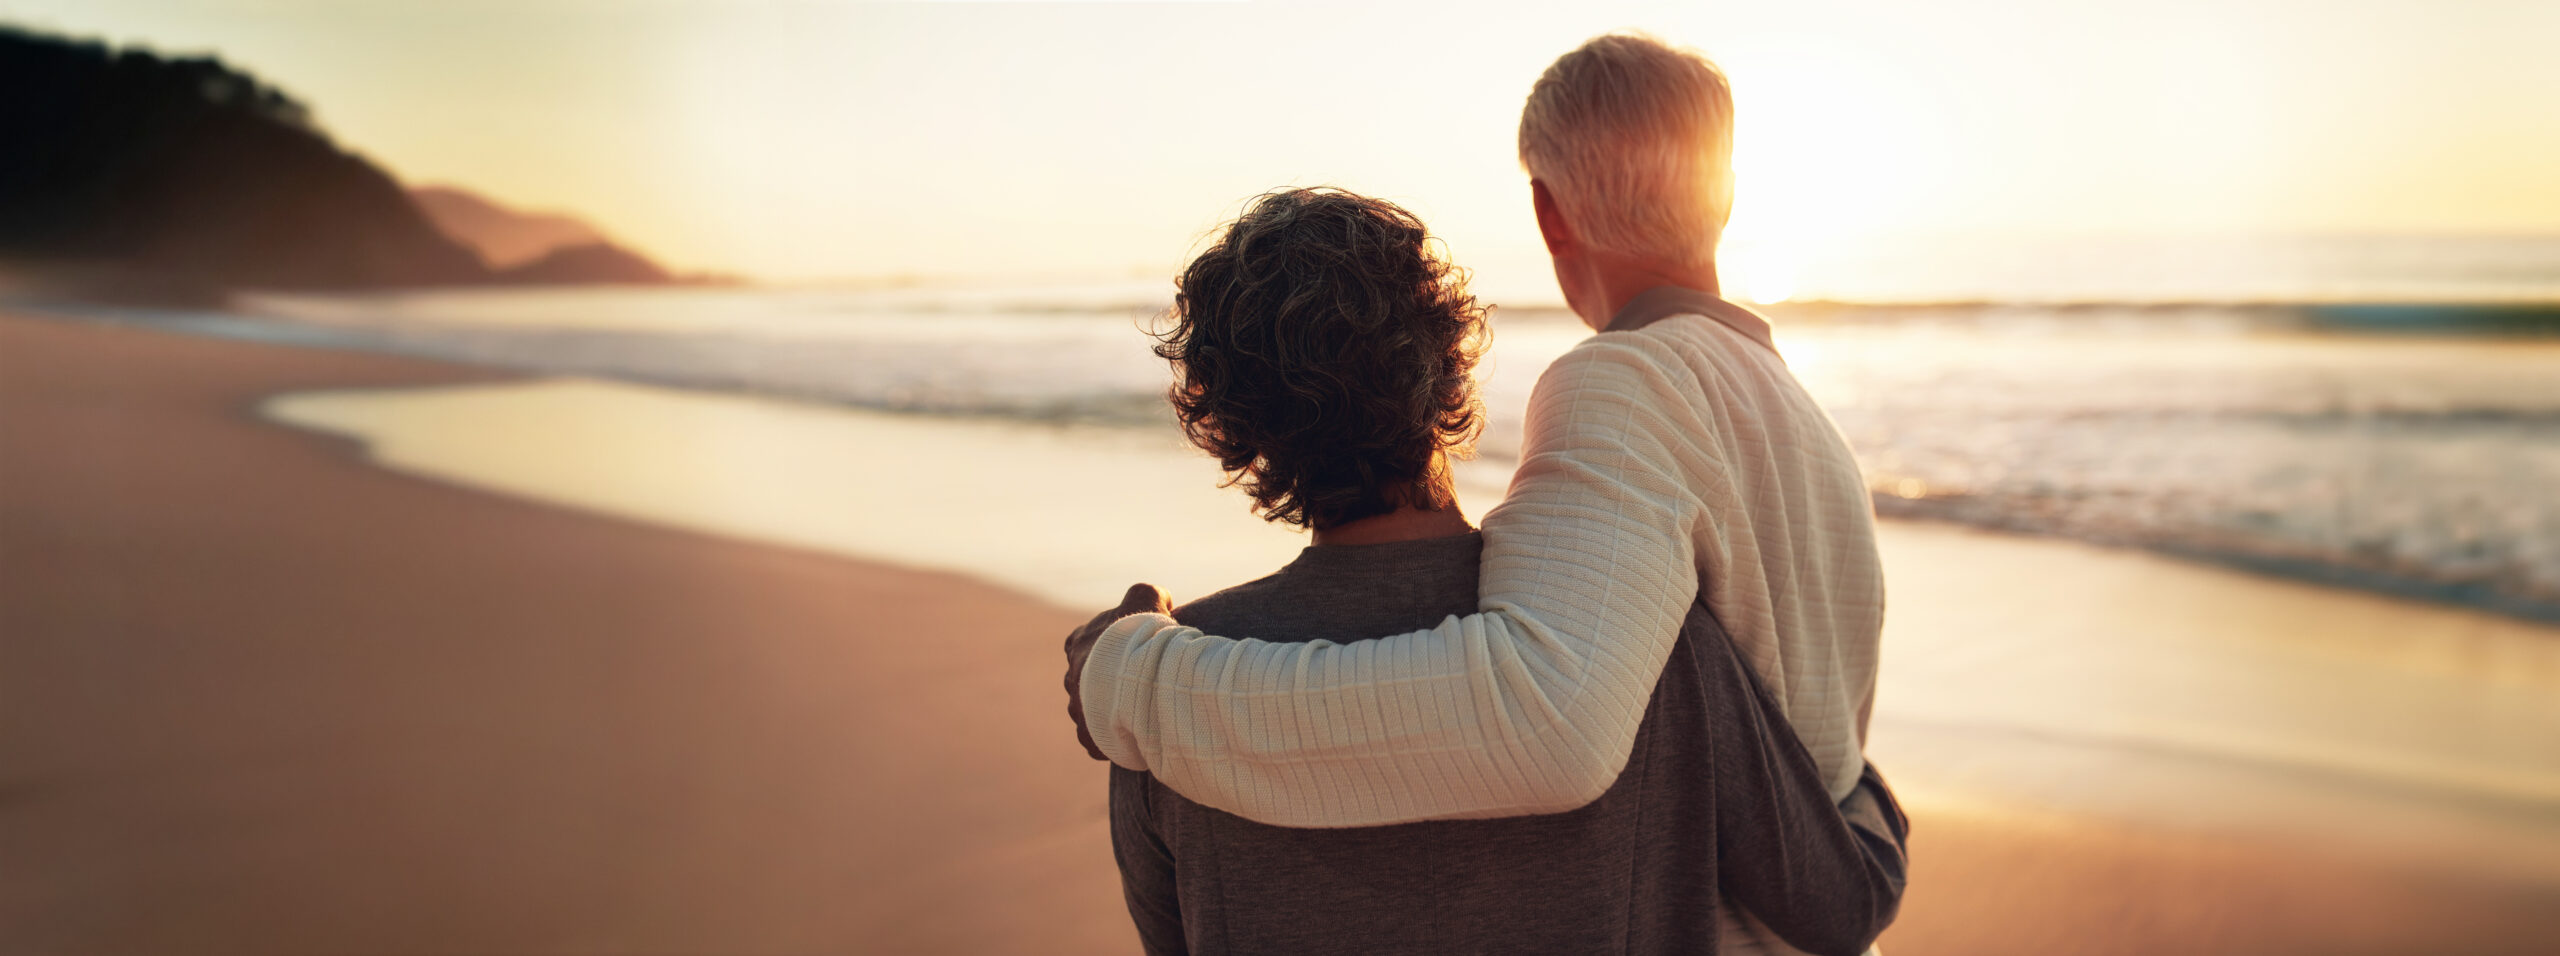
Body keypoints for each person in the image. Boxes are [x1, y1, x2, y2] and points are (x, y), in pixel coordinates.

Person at [1065, 33, 1895, 954]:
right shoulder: (1819, 445)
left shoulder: (1628, 389)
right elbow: (1811, 784)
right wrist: (1871, 821)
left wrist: (1135, 678)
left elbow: (1543, 722)